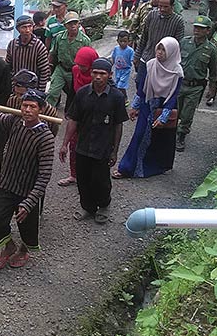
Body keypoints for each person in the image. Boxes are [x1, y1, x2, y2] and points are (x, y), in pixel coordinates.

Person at [0, 90, 55, 269]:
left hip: (28, 189)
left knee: (27, 226)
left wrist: (29, 201)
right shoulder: (15, 121)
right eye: (24, 105)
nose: (27, 110)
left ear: (41, 109)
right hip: (7, 184)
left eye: (32, 107)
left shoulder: (46, 138)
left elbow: (45, 174)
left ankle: (23, 250)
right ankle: (9, 246)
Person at [61, 58, 128, 223]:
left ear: (110, 75)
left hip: (103, 148)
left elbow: (118, 126)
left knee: (101, 180)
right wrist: (64, 144)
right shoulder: (82, 93)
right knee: (83, 179)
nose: (98, 77)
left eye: (102, 74)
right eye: (95, 73)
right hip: (83, 146)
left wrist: (114, 151)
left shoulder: (117, 97)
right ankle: (87, 207)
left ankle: (104, 205)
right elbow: (73, 120)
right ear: (90, 73)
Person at [115, 37, 182, 178]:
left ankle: (158, 166)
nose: (160, 52)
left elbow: (174, 95)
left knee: (161, 138)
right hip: (147, 105)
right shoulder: (151, 65)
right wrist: (135, 107)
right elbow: (142, 89)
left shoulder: (177, 72)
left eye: (164, 50)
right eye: (159, 48)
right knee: (139, 135)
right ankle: (126, 168)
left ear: (172, 52)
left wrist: (164, 116)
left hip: (164, 108)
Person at [56, 46, 99, 188]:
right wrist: (70, 111)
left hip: (94, 115)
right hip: (79, 111)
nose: (80, 67)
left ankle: (91, 177)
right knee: (73, 144)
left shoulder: (98, 75)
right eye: (78, 64)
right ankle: (74, 175)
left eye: (84, 65)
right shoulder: (75, 70)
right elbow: (73, 92)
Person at [176, 16, 217, 152]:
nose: (197, 30)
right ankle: (170, 133)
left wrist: (212, 89)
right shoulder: (184, 42)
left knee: (187, 113)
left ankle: (181, 135)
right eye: (196, 27)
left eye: (201, 28)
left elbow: (213, 71)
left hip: (195, 86)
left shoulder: (211, 49)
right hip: (180, 83)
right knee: (175, 110)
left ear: (208, 31)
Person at [47, 11, 91, 107]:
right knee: (52, 93)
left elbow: (89, 58)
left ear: (79, 24)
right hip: (61, 68)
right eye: (70, 24)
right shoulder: (59, 37)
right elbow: (53, 53)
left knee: (75, 95)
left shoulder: (84, 40)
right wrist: (49, 68)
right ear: (65, 25)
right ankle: (46, 115)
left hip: (75, 71)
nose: (73, 26)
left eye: (75, 23)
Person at [135, 0, 185, 71]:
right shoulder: (151, 15)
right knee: (140, 82)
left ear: (172, 6)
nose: (162, 9)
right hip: (147, 58)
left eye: (166, 7)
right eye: (160, 6)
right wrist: (137, 56)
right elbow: (144, 37)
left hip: (165, 64)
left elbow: (178, 45)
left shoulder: (178, 21)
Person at [7, 69, 60, 136]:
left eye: (22, 95)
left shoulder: (49, 111)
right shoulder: (12, 101)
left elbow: (52, 133)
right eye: (16, 93)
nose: (19, 98)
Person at [6, 16, 51, 92]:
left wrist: (40, 92)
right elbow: (8, 67)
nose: (27, 30)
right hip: (16, 88)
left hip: (32, 89)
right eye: (24, 27)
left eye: (30, 27)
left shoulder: (39, 47)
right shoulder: (12, 45)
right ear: (18, 29)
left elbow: (44, 72)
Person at [112, 31, 135, 100]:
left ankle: (125, 98)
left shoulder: (130, 50)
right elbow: (113, 57)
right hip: (117, 70)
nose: (122, 43)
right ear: (117, 41)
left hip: (126, 70)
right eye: (120, 41)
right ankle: (119, 97)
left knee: (121, 85)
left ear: (128, 41)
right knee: (117, 83)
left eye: (125, 41)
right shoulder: (116, 49)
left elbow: (133, 60)